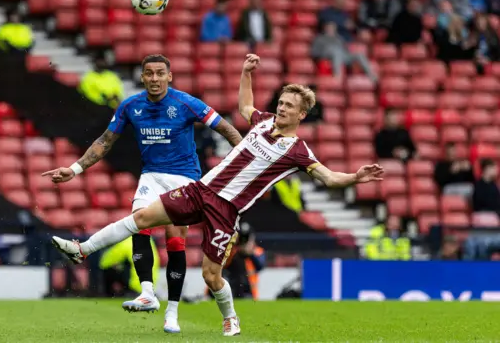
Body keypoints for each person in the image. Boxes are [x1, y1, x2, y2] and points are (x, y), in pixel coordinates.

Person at [50, 54, 384, 336]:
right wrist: (245, 73)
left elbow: (328, 178)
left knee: (212, 276)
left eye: (289, 106)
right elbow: (245, 105)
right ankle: (83, 249)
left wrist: (355, 177)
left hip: (226, 210)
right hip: (201, 190)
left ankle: (230, 317)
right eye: (281, 102)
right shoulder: (263, 123)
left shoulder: (297, 151)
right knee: (141, 218)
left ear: (301, 114)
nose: (281, 108)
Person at [42, 54, 242, 334]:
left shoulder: (186, 103)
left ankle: (171, 313)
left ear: (169, 76)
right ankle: (147, 292)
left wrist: (246, 165)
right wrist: (75, 170)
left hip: (184, 179)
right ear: (142, 78)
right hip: (150, 175)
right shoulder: (130, 106)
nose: (155, 78)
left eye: (161, 73)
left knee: (175, 241)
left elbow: (227, 129)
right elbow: (104, 141)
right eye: (149, 73)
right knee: (139, 220)